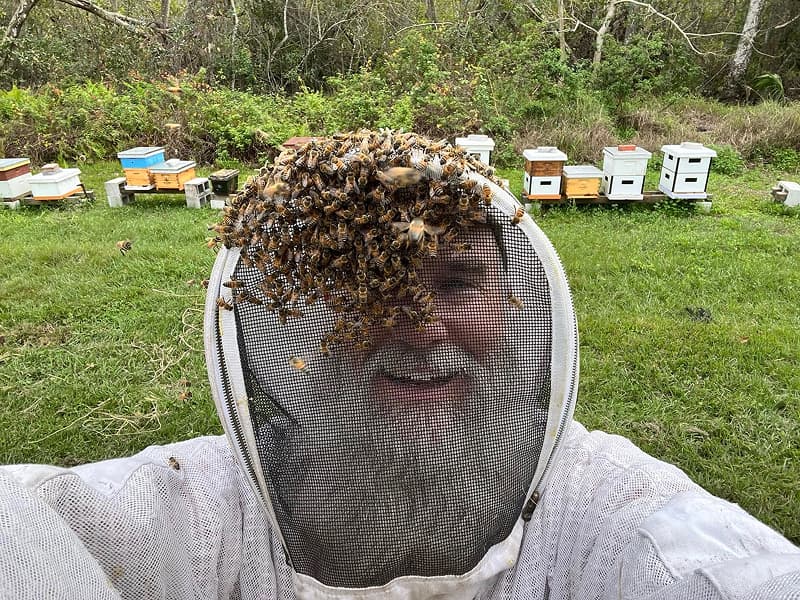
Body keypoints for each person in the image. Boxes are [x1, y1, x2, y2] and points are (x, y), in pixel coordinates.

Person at [1, 130, 798, 600]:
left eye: (458, 282)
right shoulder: (198, 512)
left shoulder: (602, 509)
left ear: (520, 303)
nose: (419, 330)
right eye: (365, 286)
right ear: (295, 320)